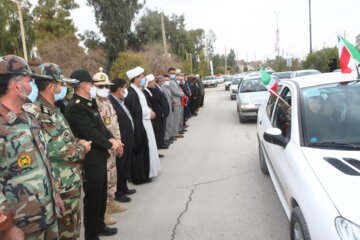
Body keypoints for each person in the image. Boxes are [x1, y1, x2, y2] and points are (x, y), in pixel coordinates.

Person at [0, 55, 63, 239]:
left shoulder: (29, 115)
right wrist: (7, 226)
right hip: (21, 225)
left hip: (48, 215)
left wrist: (55, 193)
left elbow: (43, 159)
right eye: (29, 81)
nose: (32, 86)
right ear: (16, 85)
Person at [34, 63, 92, 240]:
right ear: (51, 87)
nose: (64, 88)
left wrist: (76, 141)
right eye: (61, 84)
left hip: (71, 181)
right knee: (66, 232)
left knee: (74, 227)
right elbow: (59, 150)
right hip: (62, 185)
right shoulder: (40, 114)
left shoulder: (53, 110)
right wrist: (83, 147)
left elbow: (64, 138)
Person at [65, 69, 120, 240]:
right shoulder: (75, 107)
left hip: (100, 154)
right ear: (83, 86)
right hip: (90, 158)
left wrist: (113, 139)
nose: (93, 86)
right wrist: (110, 144)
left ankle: (100, 225)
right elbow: (90, 132)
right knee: (93, 197)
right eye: (90, 84)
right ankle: (91, 234)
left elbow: (101, 127)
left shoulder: (89, 102)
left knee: (101, 193)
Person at [93, 69, 127, 225]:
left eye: (106, 86)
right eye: (100, 86)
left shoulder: (107, 101)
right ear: (94, 87)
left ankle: (111, 201)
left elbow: (115, 123)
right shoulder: (93, 103)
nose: (104, 88)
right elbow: (98, 128)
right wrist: (110, 142)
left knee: (112, 173)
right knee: (105, 177)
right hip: (103, 146)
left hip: (113, 144)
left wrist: (118, 141)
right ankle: (104, 209)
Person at [109, 78, 136, 202]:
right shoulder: (111, 102)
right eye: (124, 88)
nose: (125, 90)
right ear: (119, 89)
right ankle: (118, 192)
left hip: (128, 137)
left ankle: (124, 187)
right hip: (121, 139)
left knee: (125, 165)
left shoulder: (120, 101)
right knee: (120, 166)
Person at [124, 66, 151, 185]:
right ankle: (138, 177)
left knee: (143, 150)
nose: (143, 78)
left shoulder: (137, 90)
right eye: (141, 77)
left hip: (141, 125)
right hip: (137, 127)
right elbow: (135, 113)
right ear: (135, 79)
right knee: (138, 152)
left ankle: (143, 175)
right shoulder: (131, 93)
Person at [142, 74, 161, 175]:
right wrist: (150, 112)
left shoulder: (143, 91)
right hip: (146, 119)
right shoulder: (142, 91)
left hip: (151, 117)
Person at [168, 67, 185, 138]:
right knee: (176, 118)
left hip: (179, 101)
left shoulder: (174, 81)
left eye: (174, 73)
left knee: (178, 117)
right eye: (171, 73)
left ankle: (177, 130)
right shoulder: (169, 82)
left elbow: (179, 89)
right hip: (175, 102)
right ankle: (175, 133)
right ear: (168, 73)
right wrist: (182, 94)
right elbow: (174, 91)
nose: (173, 75)